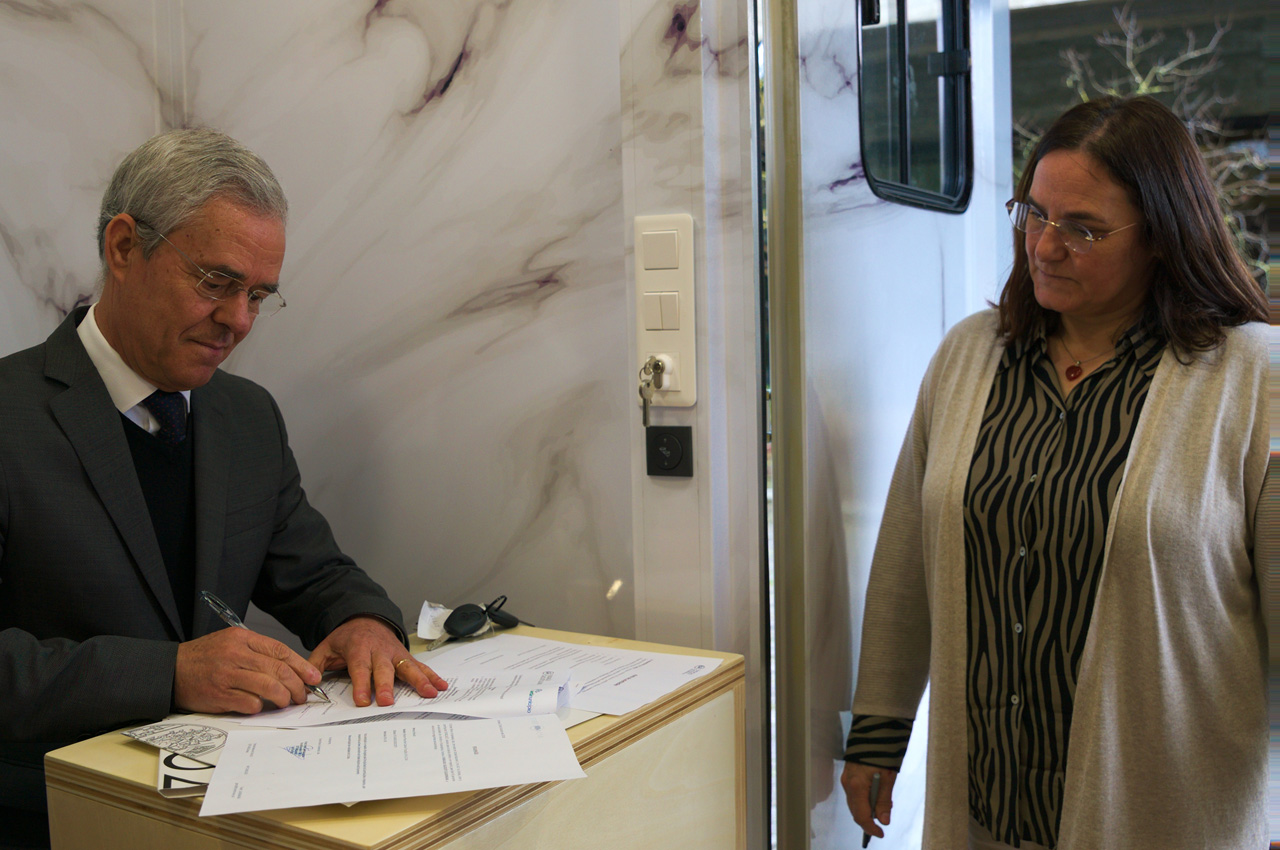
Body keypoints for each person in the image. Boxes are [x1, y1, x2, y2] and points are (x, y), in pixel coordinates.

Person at [840, 96, 1269, 849]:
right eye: (1033, 214)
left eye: (1083, 228)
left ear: (1162, 237)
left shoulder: (1254, 377)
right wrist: (879, 730)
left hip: (1167, 811)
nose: (1044, 245)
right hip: (987, 806)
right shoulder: (971, 354)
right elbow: (908, 554)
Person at [0, 129, 448, 847]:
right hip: (49, 818)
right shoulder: (10, 415)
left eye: (258, 295)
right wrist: (168, 673)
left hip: (228, 814)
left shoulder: (246, 416)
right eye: (215, 282)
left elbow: (316, 573)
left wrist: (364, 621)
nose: (239, 321)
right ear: (124, 248)